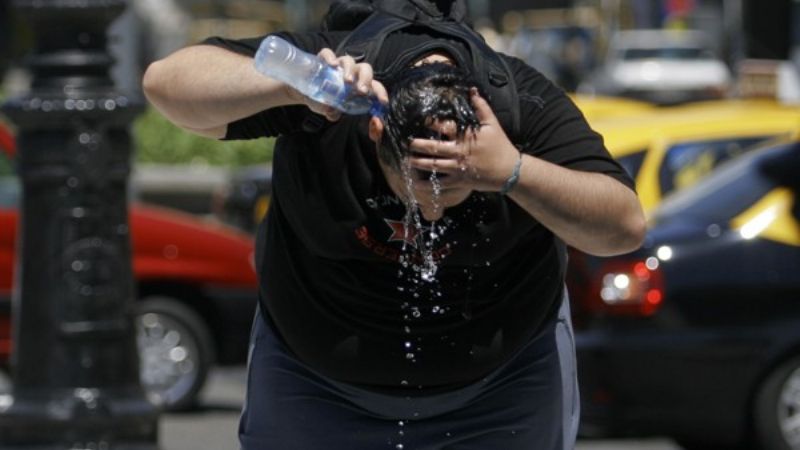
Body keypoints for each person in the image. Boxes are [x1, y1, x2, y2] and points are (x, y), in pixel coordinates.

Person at [143, 1, 646, 448]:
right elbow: (165, 84)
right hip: (314, 383)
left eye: (451, 188)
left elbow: (623, 225)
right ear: (377, 128)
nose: (429, 212)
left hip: (502, 387)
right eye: (416, 184)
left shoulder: (523, 108)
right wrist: (289, 84)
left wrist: (512, 171)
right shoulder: (336, 88)